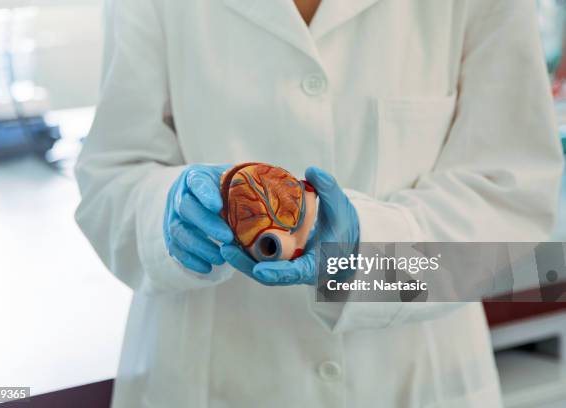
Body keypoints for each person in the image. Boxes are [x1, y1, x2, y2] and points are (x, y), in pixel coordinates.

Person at [74, 0, 563, 406]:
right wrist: (164, 217)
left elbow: (511, 210)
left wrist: (367, 257)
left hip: (413, 377)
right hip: (206, 373)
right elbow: (113, 175)